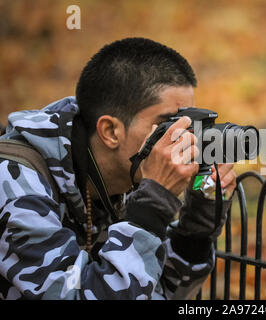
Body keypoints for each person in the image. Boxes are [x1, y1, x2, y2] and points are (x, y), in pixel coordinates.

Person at [0, 37, 236, 300]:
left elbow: (158, 293)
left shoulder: (120, 176)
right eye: (168, 124)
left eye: (190, 124)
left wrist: (197, 225)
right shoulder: (17, 185)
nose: (184, 138)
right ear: (111, 131)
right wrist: (153, 205)